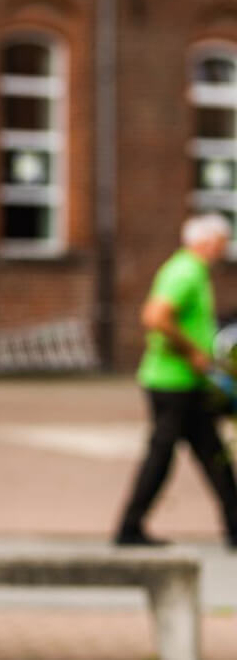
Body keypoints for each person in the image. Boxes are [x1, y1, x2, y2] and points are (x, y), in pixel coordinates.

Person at [115, 212, 237, 548]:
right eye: (222, 243)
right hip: (172, 382)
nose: (224, 251)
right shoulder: (185, 271)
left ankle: (234, 526)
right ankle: (129, 527)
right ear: (207, 241)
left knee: (212, 453)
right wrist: (192, 352)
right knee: (165, 455)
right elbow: (155, 316)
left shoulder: (191, 270)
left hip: (186, 383)